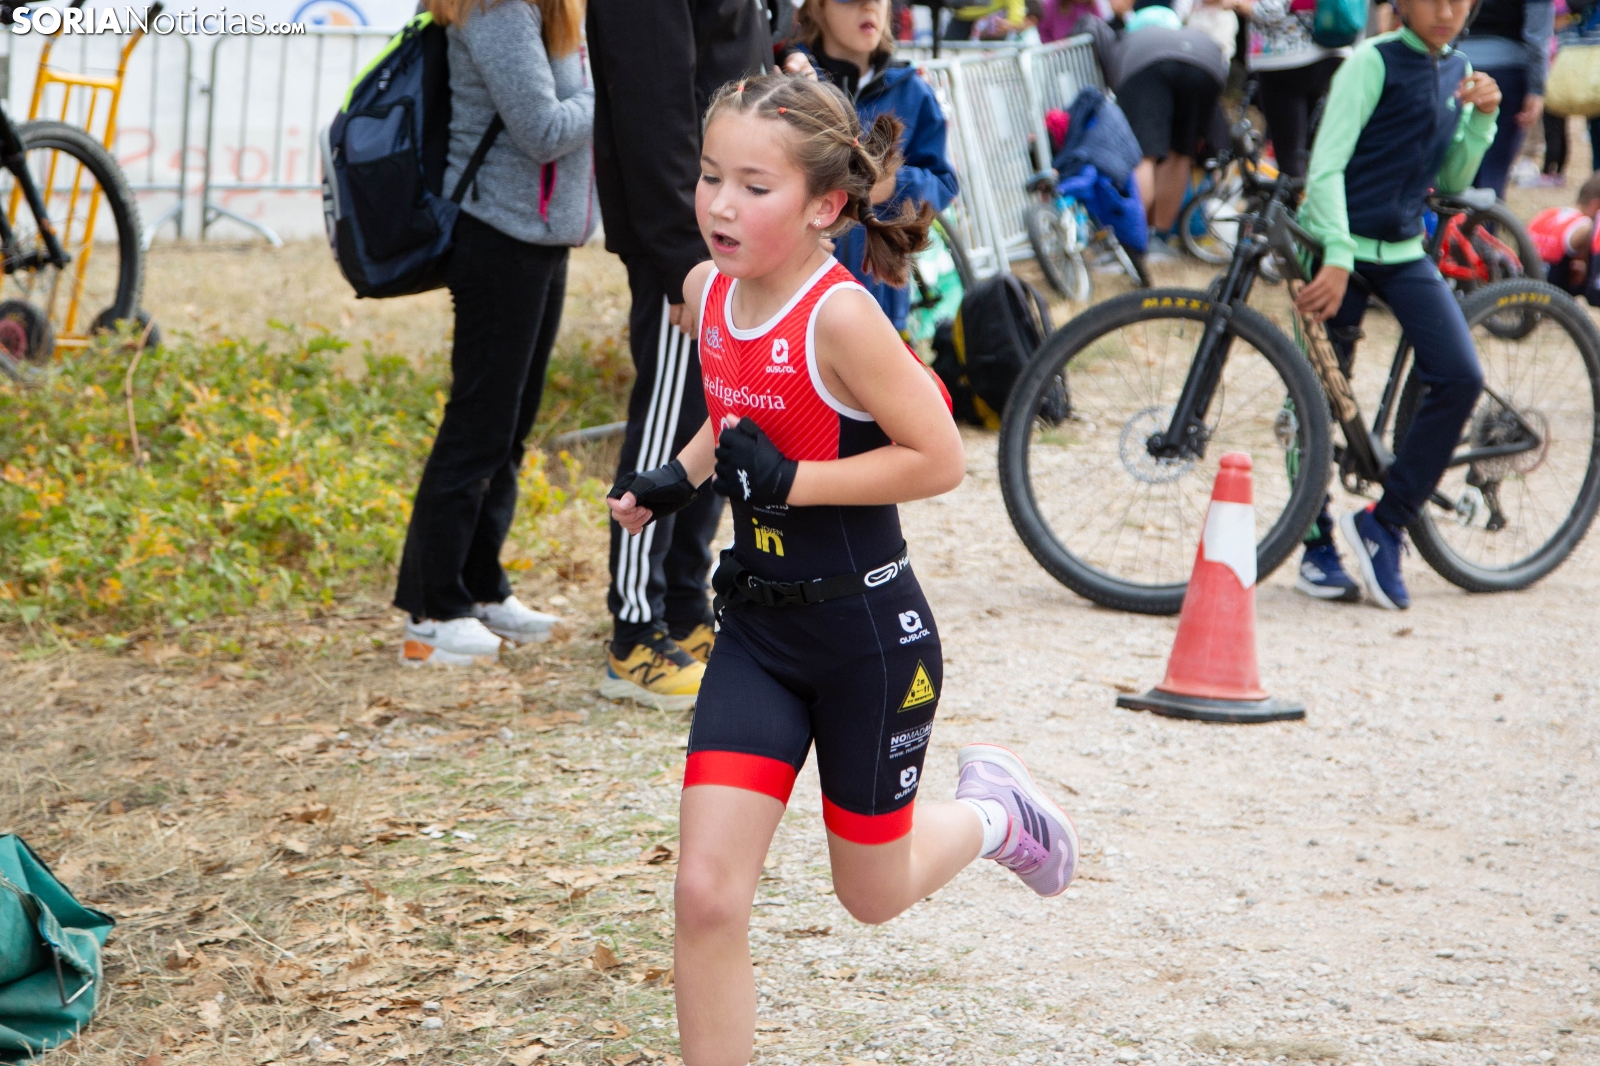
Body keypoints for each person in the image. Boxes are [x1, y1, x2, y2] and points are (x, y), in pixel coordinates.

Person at [606, 73, 1080, 1066]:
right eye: (709, 177)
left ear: (824, 206)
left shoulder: (842, 317)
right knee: (705, 895)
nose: (720, 204)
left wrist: (794, 482)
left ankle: (995, 813)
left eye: (754, 187)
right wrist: (680, 476)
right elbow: (739, 402)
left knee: (870, 892)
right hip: (758, 635)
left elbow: (939, 458)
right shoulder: (707, 292)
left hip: (866, 639)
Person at [393, 0, 592, 667]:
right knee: (478, 426)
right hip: (498, 234)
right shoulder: (497, 8)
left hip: (539, 236)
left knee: (510, 428)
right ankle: (431, 611)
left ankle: (480, 586)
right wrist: (616, 91)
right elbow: (543, 130)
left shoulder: (544, 8)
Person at [587, 0, 770, 709]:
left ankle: (685, 608)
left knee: (718, 421)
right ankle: (634, 633)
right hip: (686, 249)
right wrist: (682, 265)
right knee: (667, 432)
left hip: (728, 241)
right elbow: (651, 115)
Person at [1293, 0, 1501, 610]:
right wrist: (1336, 254)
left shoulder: (1458, 67)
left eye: (1459, 0)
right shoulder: (1370, 62)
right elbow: (1325, 168)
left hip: (1404, 251)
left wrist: (1482, 120)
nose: (1446, 11)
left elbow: (1451, 179)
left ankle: (1385, 522)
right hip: (1337, 247)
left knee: (1460, 377)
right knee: (1313, 397)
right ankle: (1315, 545)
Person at [783, 0, 960, 333]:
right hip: (794, 297)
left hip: (880, 301)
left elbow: (943, 184)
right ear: (818, 7)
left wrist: (892, 185)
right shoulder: (789, 79)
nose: (868, 5)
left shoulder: (912, 90)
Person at [1113, 9, 1229, 241]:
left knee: (1144, 155)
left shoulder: (1131, 40)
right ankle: (1160, 236)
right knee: (1181, 153)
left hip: (1149, 67)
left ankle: (1133, 238)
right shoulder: (1184, 34)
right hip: (1207, 64)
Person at [1233, 0, 1353, 178]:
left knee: (1291, 157)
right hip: (1334, 52)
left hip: (1286, 58)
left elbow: (1272, 8)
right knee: (1322, 155)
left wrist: (1237, 3)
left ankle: (1296, 195)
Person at [1458, 0, 1554, 197]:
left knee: (1456, 167)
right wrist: (1537, 89)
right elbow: (1537, 37)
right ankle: (1485, 216)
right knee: (1493, 171)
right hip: (1508, 73)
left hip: (1459, 69)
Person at [1527, 172, 1600, 297]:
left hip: (1526, 283)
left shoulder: (1546, 214)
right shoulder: (1585, 225)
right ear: (1596, 206)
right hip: (1552, 293)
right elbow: (1587, 274)